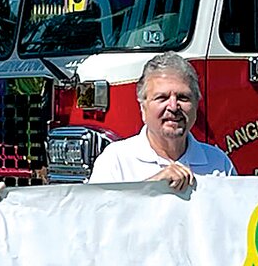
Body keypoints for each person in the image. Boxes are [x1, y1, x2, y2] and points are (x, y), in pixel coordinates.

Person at [88, 53, 235, 187]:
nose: (173, 106)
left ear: (196, 105)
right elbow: (100, 214)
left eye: (183, 97)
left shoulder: (218, 163)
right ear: (143, 108)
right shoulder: (116, 160)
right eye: (162, 98)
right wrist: (151, 187)